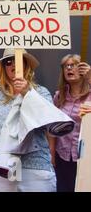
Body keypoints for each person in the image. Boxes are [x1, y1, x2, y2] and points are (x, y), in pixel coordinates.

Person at [0, 49, 57, 192]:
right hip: (0, 167)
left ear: (26, 65)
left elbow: (49, 122)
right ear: (4, 68)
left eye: (18, 60)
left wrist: (27, 93)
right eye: (8, 62)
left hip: (35, 167)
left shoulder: (40, 92)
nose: (13, 65)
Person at [49, 54, 91, 192]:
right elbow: (52, 127)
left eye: (73, 65)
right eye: (66, 66)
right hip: (63, 156)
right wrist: (52, 154)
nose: (69, 68)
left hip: (86, 158)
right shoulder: (59, 96)